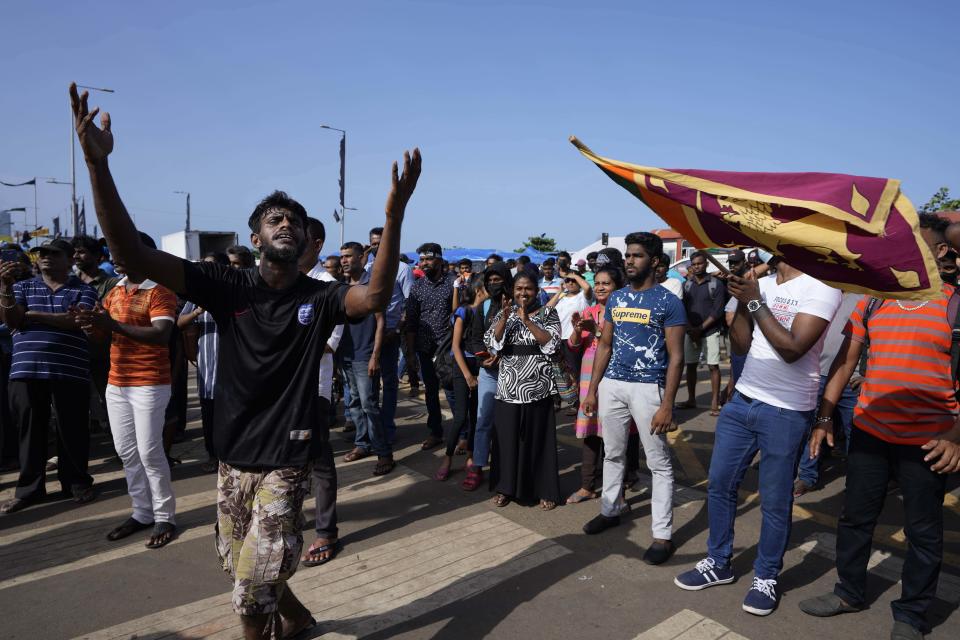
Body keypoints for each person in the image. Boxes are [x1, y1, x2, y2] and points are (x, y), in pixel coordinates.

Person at [69, 82, 420, 640]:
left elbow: (373, 300)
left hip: (289, 452)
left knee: (253, 584)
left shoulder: (320, 296)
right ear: (256, 236)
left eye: (295, 221)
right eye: (274, 219)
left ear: (307, 240)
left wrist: (395, 216)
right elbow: (129, 254)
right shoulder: (226, 285)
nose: (286, 224)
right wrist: (97, 165)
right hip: (233, 452)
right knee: (239, 563)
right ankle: (300, 618)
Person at [799, 214, 960, 640]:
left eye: (917, 244)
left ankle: (911, 615)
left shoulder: (955, 304)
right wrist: (824, 416)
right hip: (870, 431)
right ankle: (850, 592)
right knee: (855, 517)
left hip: (929, 441)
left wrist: (955, 437)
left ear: (941, 252)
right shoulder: (875, 300)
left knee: (924, 532)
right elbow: (847, 360)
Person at [674, 256, 841, 617]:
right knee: (719, 484)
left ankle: (766, 576)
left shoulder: (822, 287)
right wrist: (740, 304)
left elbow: (793, 349)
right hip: (743, 400)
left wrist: (752, 301)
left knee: (774, 499)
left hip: (786, 410)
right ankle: (719, 562)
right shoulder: (759, 285)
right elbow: (741, 345)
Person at [580, 232, 685, 566]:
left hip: (648, 389)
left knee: (658, 463)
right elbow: (605, 345)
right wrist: (594, 389)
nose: (629, 260)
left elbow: (677, 357)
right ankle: (611, 510)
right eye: (628, 255)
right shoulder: (617, 298)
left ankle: (662, 535)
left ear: (654, 261)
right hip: (613, 385)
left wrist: (667, 403)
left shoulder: (669, 302)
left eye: (637, 255)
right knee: (612, 453)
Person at [78, 232, 179, 548]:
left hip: (149, 381)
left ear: (143, 254)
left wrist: (111, 326)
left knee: (150, 451)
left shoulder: (160, 291)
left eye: (120, 249)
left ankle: (164, 515)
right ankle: (142, 512)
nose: (114, 255)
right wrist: (91, 326)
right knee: (126, 451)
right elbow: (103, 336)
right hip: (117, 383)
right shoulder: (115, 290)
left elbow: (161, 334)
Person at [0, 238, 99, 514]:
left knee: (72, 428)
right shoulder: (20, 287)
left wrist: (30, 314)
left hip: (69, 369)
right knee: (30, 431)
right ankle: (30, 490)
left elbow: (76, 321)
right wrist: (5, 288)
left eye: (54, 253)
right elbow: (11, 321)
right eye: (41, 253)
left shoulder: (83, 289)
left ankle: (76, 482)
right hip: (26, 369)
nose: (45, 257)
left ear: (69, 260)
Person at [485, 272, 562, 510]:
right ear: (512, 290)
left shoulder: (548, 313)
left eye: (528, 288)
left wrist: (527, 320)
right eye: (519, 288)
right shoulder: (503, 313)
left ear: (536, 290)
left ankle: (544, 491)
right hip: (508, 387)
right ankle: (505, 487)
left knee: (538, 440)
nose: (523, 293)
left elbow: (551, 344)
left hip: (537, 386)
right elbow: (492, 344)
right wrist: (504, 319)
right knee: (506, 441)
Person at [566, 265, 641, 504]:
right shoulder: (588, 311)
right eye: (597, 282)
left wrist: (596, 331)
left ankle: (618, 491)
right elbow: (574, 345)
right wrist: (578, 331)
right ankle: (587, 486)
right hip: (590, 376)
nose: (599, 287)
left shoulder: (625, 312)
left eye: (606, 283)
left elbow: (620, 345)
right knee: (590, 432)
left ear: (617, 287)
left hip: (615, 376)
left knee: (616, 437)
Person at [300, 217, 344, 567]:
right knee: (285, 457)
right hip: (279, 391)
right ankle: (288, 515)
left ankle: (326, 530)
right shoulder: (280, 282)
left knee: (319, 461)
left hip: (312, 389)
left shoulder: (328, 287)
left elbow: (328, 344)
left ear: (315, 244)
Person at [792, 292, 863, 497]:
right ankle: (807, 477)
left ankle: (857, 483)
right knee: (815, 426)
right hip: (818, 373)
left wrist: (866, 374)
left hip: (852, 379)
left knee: (855, 433)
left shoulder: (865, 296)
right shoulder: (818, 293)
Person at [339, 241, 393, 475]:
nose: (344, 260)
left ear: (362, 258)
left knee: (370, 405)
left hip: (364, 356)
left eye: (349, 256)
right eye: (342, 256)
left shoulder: (371, 288)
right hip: (346, 356)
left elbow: (381, 323)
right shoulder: (340, 288)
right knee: (354, 404)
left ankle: (384, 454)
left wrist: (375, 356)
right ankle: (362, 444)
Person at [462, 261, 513, 491]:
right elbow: (474, 338)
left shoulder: (516, 304)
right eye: (490, 281)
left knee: (508, 423)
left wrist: (503, 357)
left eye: (498, 280)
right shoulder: (483, 307)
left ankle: (508, 466)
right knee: (483, 420)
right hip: (489, 372)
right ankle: (478, 465)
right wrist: (482, 358)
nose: (494, 284)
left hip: (513, 372)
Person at [405, 242, 456, 450]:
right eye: (422, 259)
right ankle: (435, 432)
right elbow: (411, 321)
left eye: (428, 259)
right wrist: (409, 352)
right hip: (425, 347)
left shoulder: (453, 284)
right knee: (431, 391)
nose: (424, 263)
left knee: (453, 391)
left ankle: (463, 433)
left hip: (449, 347)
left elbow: (460, 315)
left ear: (440, 259)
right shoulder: (417, 286)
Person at [436, 278, 487, 481]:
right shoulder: (463, 312)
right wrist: (467, 375)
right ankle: (447, 458)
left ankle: (471, 456)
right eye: (486, 287)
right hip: (462, 366)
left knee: (476, 416)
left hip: (481, 366)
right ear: (478, 290)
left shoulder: (486, 311)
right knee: (460, 417)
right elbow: (456, 347)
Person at [366, 226, 412, 444]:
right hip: (368, 336)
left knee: (389, 383)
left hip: (391, 335)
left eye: (380, 242)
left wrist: (397, 330)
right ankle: (371, 429)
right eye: (373, 243)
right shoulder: (366, 267)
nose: (376, 246)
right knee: (369, 385)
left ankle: (387, 428)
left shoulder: (402, 269)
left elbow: (408, 302)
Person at [73, 234, 121, 433]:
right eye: (74, 252)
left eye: (82, 252)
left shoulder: (110, 283)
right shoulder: (70, 282)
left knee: (110, 399)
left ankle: (119, 444)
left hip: (101, 352)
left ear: (96, 256)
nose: (76, 256)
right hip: (75, 353)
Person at [678, 251, 727, 416]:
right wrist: (691, 329)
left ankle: (714, 402)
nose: (697, 266)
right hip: (690, 331)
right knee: (690, 366)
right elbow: (683, 308)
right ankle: (691, 399)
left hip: (710, 331)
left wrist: (700, 329)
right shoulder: (687, 285)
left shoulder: (716, 284)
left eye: (700, 263)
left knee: (713, 366)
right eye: (694, 264)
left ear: (706, 264)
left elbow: (718, 311)